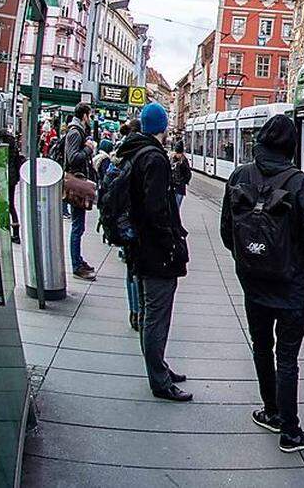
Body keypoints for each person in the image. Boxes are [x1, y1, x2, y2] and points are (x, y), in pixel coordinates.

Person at [221, 115, 304, 452]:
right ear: (291, 146)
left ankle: (271, 411)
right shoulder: (299, 183)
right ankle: (290, 431)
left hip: (252, 282)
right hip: (291, 284)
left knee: (261, 346)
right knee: (288, 356)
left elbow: (227, 232)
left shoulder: (240, 175)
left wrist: (251, 255)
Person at [118, 102, 191, 402]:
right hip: (155, 251)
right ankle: (159, 381)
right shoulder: (155, 159)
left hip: (140, 247)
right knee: (157, 315)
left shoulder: (134, 152)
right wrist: (171, 243)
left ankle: (158, 366)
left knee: (150, 312)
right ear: (161, 127)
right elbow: (157, 209)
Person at [63, 103, 97, 281]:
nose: (90, 119)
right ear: (84, 115)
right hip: (76, 183)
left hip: (79, 182)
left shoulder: (77, 130)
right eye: (89, 116)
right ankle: (76, 265)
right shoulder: (75, 132)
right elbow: (73, 158)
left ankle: (78, 260)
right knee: (77, 227)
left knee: (79, 226)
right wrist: (88, 149)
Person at [170, 141, 192, 210]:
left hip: (180, 188)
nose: (178, 155)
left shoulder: (184, 161)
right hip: (173, 187)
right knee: (173, 207)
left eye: (179, 153)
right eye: (177, 153)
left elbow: (188, 173)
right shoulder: (172, 159)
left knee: (176, 208)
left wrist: (183, 182)